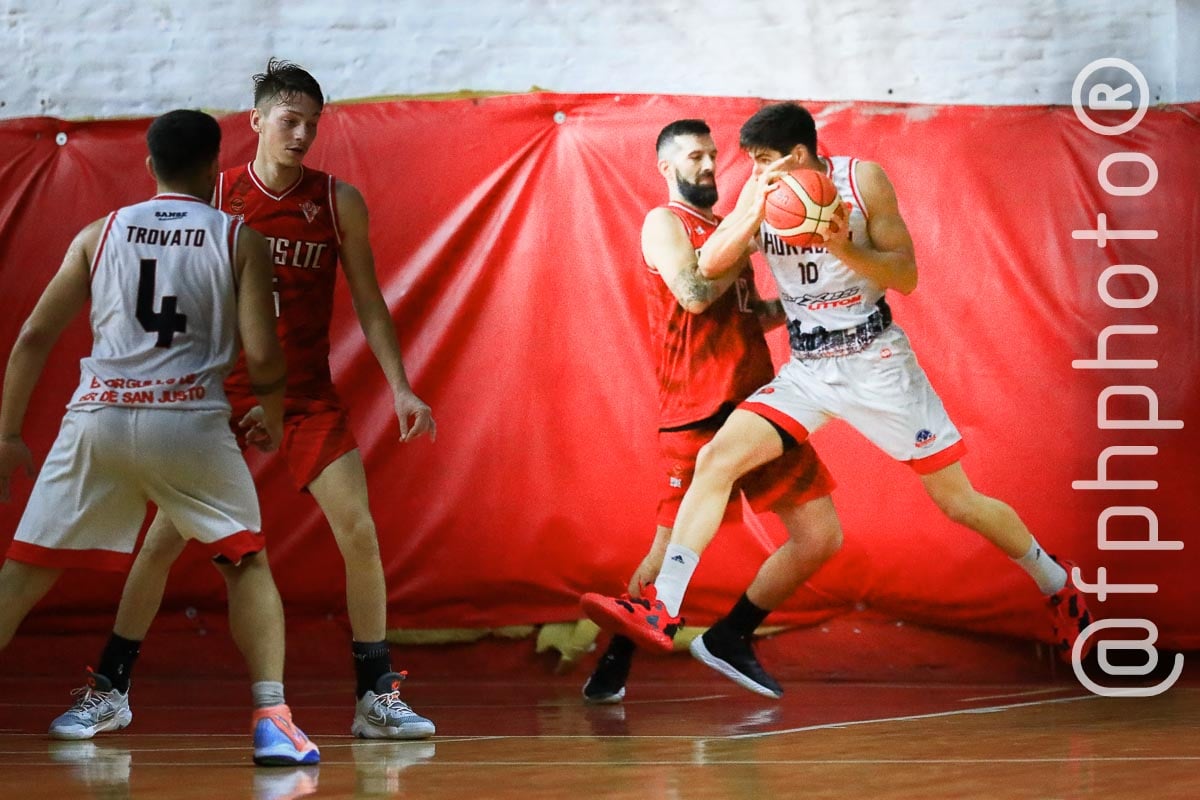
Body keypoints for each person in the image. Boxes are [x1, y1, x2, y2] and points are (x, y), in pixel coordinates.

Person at [584, 103, 1093, 665]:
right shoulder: (764, 198)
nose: (753, 173)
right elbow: (703, 275)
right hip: (809, 370)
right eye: (748, 164)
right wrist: (750, 214)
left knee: (960, 502)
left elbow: (907, 275)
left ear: (799, 156)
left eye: (763, 162)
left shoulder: (861, 179)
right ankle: (664, 605)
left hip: (877, 363)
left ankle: (1058, 586)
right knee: (717, 460)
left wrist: (841, 245)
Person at [49, 59, 437, 741]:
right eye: (290, 121)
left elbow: (371, 305)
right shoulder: (214, 198)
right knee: (162, 543)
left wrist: (402, 387)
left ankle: (376, 693)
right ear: (254, 121)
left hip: (305, 395)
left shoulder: (337, 201)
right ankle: (110, 686)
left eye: (312, 124)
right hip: (218, 397)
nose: (302, 135)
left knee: (360, 532)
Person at [0, 109, 318, 765]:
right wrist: (274, 406)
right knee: (246, 563)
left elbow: (32, 337)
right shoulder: (239, 238)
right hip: (187, 425)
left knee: (23, 577)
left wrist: (7, 436)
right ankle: (271, 717)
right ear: (213, 168)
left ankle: (113, 687)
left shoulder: (100, 232)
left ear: (149, 166)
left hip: (98, 419)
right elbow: (262, 355)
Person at [580, 119, 844, 700]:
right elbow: (695, 296)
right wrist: (746, 235)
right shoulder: (664, 223)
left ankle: (732, 635)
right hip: (695, 409)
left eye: (711, 155)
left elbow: (747, 311)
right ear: (665, 167)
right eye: (694, 156)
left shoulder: (727, 229)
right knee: (663, 555)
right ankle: (620, 652)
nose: (707, 165)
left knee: (820, 536)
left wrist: (818, 304)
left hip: (756, 402)